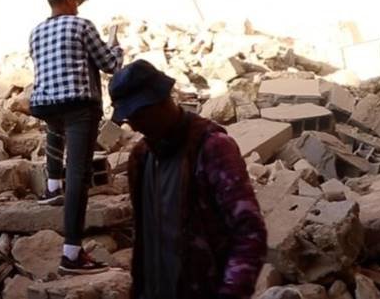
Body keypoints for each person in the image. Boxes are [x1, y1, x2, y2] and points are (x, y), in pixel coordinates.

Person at [109, 59, 266, 299]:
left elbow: (249, 232)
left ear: (162, 101)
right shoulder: (140, 158)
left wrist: (231, 293)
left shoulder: (212, 148)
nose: (136, 126)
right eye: (130, 119)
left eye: (140, 115)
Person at [29, 0, 123, 275]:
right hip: (79, 104)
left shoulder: (36, 31)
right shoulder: (82, 26)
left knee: (55, 128)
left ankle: (52, 184)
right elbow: (109, 64)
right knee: (79, 174)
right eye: (77, 2)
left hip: (44, 103)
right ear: (69, 0)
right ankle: (71, 253)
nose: (78, 6)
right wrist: (117, 46)